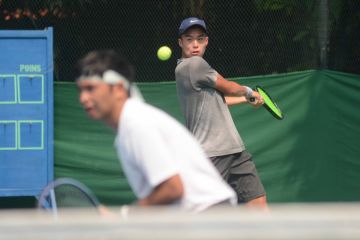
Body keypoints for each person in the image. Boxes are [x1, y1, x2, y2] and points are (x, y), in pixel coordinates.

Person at [76, 49, 237, 213]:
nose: (83, 98)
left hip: (208, 217)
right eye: (80, 90)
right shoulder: (131, 124)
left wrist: (125, 215)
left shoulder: (136, 123)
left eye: (90, 88)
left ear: (118, 89)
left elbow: (173, 188)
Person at [175, 17, 268, 210]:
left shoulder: (193, 71)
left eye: (200, 39)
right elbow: (230, 88)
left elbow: (217, 100)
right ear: (180, 42)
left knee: (258, 204)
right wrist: (249, 92)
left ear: (206, 41)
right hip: (211, 153)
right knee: (207, 215)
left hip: (236, 150)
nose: (195, 44)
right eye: (189, 39)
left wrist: (245, 100)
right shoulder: (193, 66)